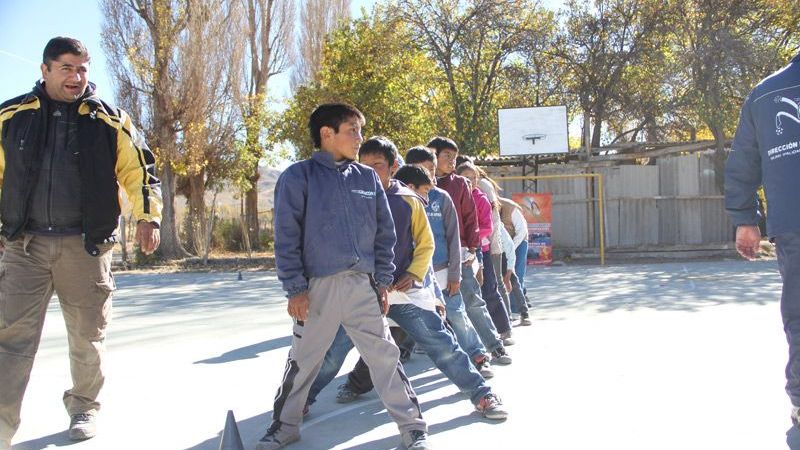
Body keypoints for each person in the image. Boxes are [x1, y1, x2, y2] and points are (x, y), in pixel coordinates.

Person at [0, 37, 162, 448]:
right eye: (67, 68)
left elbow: (139, 169)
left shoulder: (110, 120)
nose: (77, 77)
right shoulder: (11, 117)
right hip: (24, 248)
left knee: (87, 337)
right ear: (45, 70)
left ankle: (84, 404)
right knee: (10, 339)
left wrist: (148, 218)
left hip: (86, 249)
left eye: (83, 69)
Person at [257, 104, 430, 450]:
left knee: (384, 357)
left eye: (360, 130)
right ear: (327, 134)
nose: (360, 138)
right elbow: (286, 237)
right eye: (353, 130)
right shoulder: (298, 177)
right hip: (315, 290)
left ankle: (412, 427)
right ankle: (285, 426)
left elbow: (385, 234)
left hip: (362, 287)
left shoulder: (366, 178)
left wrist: (382, 281)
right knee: (303, 363)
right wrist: (295, 289)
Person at [307, 138, 508, 420]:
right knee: (332, 353)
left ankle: (482, 393)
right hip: (362, 295)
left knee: (443, 346)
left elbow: (426, 244)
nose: (370, 172)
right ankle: (299, 402)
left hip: (404, 292)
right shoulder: (348, 198)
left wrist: (414, 274)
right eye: (364, 166)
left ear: (394, 167)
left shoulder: (408, 199)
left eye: (377, 166)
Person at [724, 52, 800, 427]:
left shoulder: (765, 92)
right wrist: (744, 217)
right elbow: (745, 161)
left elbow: (743, 163)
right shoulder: (764, 95)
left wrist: (745, 220)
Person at [396, 155, 494, 378]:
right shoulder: (397, 200)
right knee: (401, 323)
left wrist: (454, 274)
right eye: (424, 169)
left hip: (441, 270)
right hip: (411, 275)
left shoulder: (442, 198)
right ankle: (361, 380)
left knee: (457, 315)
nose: (430, 173)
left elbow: (453, 238)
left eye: (431, 168)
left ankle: (478, 356)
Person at [427, 137, 512, 365]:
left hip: (461, 254)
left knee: (472, 302)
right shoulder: (418, 183)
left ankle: (494, 346)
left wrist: (474, 252)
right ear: (432, 155)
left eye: (454, 157)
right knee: (429, 309)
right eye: (447, 156)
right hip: (428, 259)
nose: (452, 161)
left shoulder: (459, 185)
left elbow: (470, 220)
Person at [457, 162, 513, 344]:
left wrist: (470, 238)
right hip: (460, 251)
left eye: (474, 178)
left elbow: (487, 227)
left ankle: (503, 329)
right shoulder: (454, 197)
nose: (471, 181)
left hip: (482, 249)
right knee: (467, 295)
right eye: (466, 178)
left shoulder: (480, 198)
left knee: (489, 290)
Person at [499, 196, 532, 325]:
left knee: (514, 275)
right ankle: (507, 311)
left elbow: (521, 231)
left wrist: (510, 249)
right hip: (499, 248)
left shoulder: (510, 207)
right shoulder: (483, 206)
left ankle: (520, 310)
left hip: (518, 240)